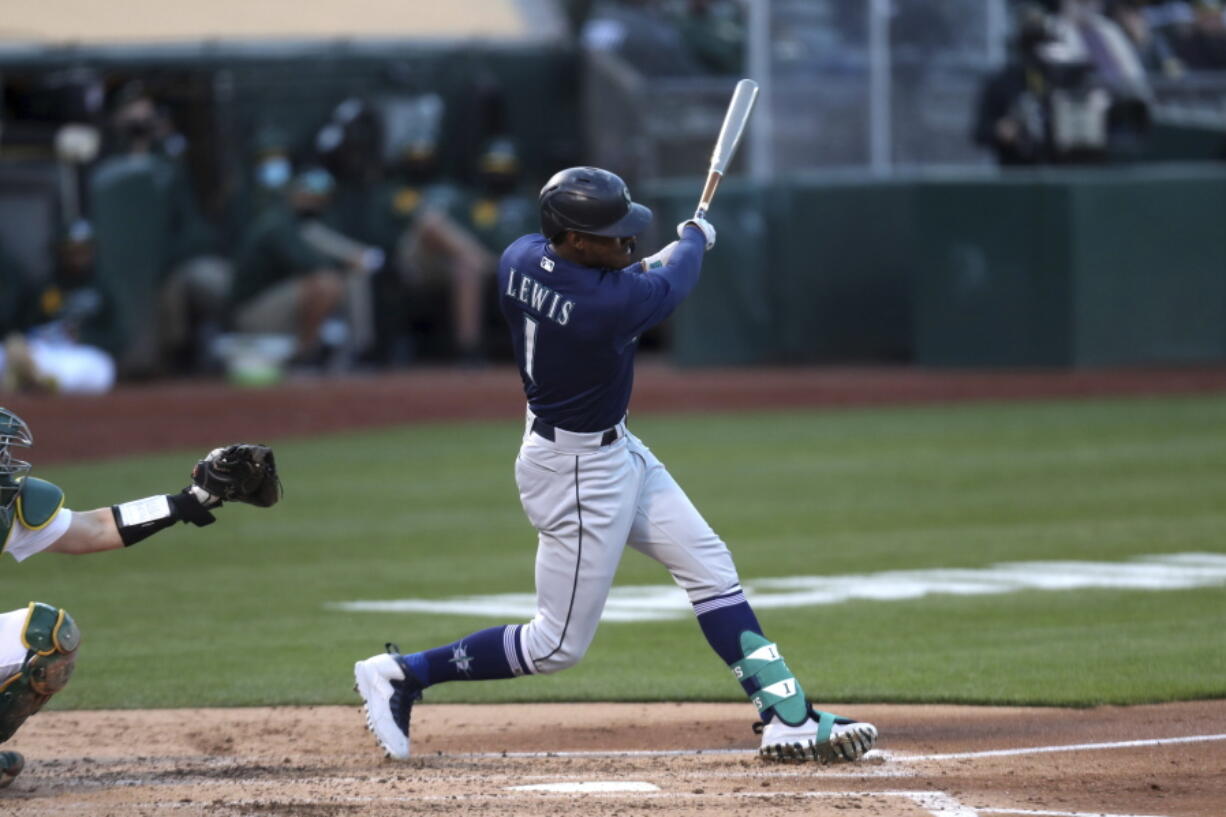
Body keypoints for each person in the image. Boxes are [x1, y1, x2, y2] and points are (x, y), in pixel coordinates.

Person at [354, 167, 879, 764]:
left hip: (609, 448)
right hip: (577, 475)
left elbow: (630, 273)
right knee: (554, 647)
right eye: (612, 233)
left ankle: (786, 715)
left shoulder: (520, 257)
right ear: (575, 239)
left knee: (709, 566)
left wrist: (668, 246)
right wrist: (695, 238)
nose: (626, 241)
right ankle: (403, 673)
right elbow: (673, 280)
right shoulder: (603, 308)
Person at [0, 408, 280, 787]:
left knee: (47, 636)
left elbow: (94, 529)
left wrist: (194, 499)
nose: (6, 463)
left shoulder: (6, 509)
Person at [230, 167, 376, 368]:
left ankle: (356, 350)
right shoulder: (277, 221)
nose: (315, 201)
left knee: (346, 281)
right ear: (296, 192)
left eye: (321, 198)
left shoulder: (306, 221)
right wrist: (345, 260)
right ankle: (306, 355)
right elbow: (308, 263)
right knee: (327, 285)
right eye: (310, 194)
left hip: (277, 303)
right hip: (250, 312)